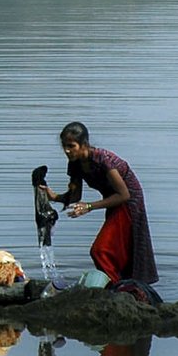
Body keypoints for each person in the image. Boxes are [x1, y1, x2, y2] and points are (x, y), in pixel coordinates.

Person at [37, 121, 157, 286]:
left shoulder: (102, 159)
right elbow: (75, 196)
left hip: (128, 204)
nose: (67, 151)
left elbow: (124, 194)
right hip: (112, 202)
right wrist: (54, 196)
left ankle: (116, 287)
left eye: (71, 146)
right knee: (114, 251)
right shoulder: (75, 164)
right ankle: (121, 286)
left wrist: (89, 207)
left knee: (100, 250)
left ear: (84, 144)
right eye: (64, 146)